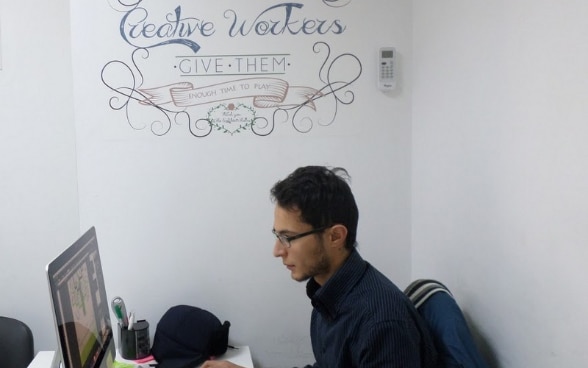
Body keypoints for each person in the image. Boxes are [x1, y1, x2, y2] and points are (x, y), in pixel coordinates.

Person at [202, 166, 438, 368]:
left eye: (288, 237)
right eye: (277, 235)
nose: (277, 250)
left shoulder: (381, 323)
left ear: (335, 236)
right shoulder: (329, 293)